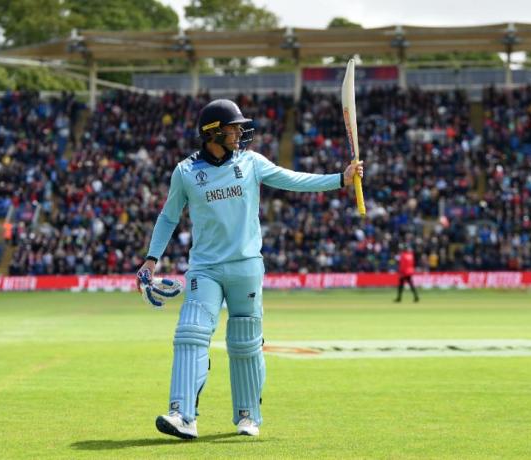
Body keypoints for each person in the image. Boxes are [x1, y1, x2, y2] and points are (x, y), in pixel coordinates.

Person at [137, 99, 363, 439]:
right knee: (190, 333)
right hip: (205, 268)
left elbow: (293, 180)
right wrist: (151, 259)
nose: (239, 133)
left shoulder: (251, 162)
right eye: (233, 128)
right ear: (213, 132)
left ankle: (248, 416)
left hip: (246, 267)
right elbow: (168, 217)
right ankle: (182, 415)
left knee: (245, 342)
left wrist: (340, 180)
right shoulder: (185, 172)